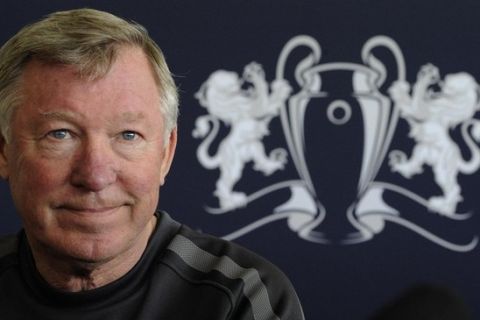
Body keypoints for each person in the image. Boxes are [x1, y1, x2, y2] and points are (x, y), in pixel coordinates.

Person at [0, 8, 304, 319]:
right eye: (60, 134)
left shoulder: (241, 297)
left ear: (165, 153)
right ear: (4, 151)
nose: (95, 175)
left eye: (128, 135)